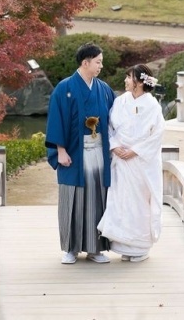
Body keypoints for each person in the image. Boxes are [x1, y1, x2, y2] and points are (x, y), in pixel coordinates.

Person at [46, 42, 116, 264]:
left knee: (98, 198)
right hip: (74, 154)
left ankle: (96, 249)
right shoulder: (64, 88)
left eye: (101, 62)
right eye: (98, 62)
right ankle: (70, 248)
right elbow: (56, 121)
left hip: (99, 151)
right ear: (85, 63)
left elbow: (116, 122)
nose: (100, 66)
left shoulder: (104, 89)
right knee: (72, 199)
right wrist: (60, 150)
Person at [97, 64, 165, 263]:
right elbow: (109, 127)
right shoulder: (120, 101)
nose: (125, 81)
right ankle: (124, 245)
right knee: (121, 201)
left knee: (140, 202)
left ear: (140, 82)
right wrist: (115, 146)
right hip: (121, 159)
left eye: (129, 77)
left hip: (141, 162)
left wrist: (135, 151)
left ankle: (140, 246)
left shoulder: (152, 105)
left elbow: (158, 134)